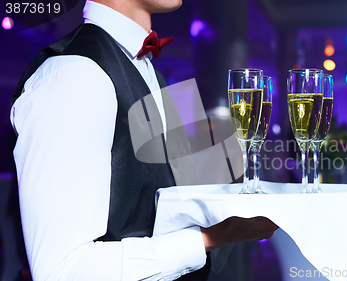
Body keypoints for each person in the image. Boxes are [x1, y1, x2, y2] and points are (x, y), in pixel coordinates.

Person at [10, 0, 278, 280]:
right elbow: (61, 272)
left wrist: (230, 212)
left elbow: (161, 212)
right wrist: (209, 237)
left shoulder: (153, 74)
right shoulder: (75, 74)